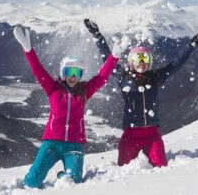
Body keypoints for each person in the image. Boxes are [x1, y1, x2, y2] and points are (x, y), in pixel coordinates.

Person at [84, 19, 198, 167]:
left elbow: (175, 64)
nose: (141, 62)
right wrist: (98, 36)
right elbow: (108, 59)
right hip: (130, 135)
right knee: (123, 171)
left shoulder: (155, 78)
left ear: (149, 62)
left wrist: (191, 46)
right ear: (131, 62)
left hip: (152, 136)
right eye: (137, 58)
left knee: (161, 167)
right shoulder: (123, 77)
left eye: (145, 58)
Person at [13, 26, 126, 188]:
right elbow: (38, 70)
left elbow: (101, 77)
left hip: (74, 146)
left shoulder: (84, 92)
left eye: (77, 73)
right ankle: (43, 177)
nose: (73, 77)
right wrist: (28, 50)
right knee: (31, 182)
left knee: (73, 181)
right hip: (51, 144)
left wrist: (114, 57)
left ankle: (62, 175)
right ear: (63, 73)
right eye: (69, 72)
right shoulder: (53, 89)